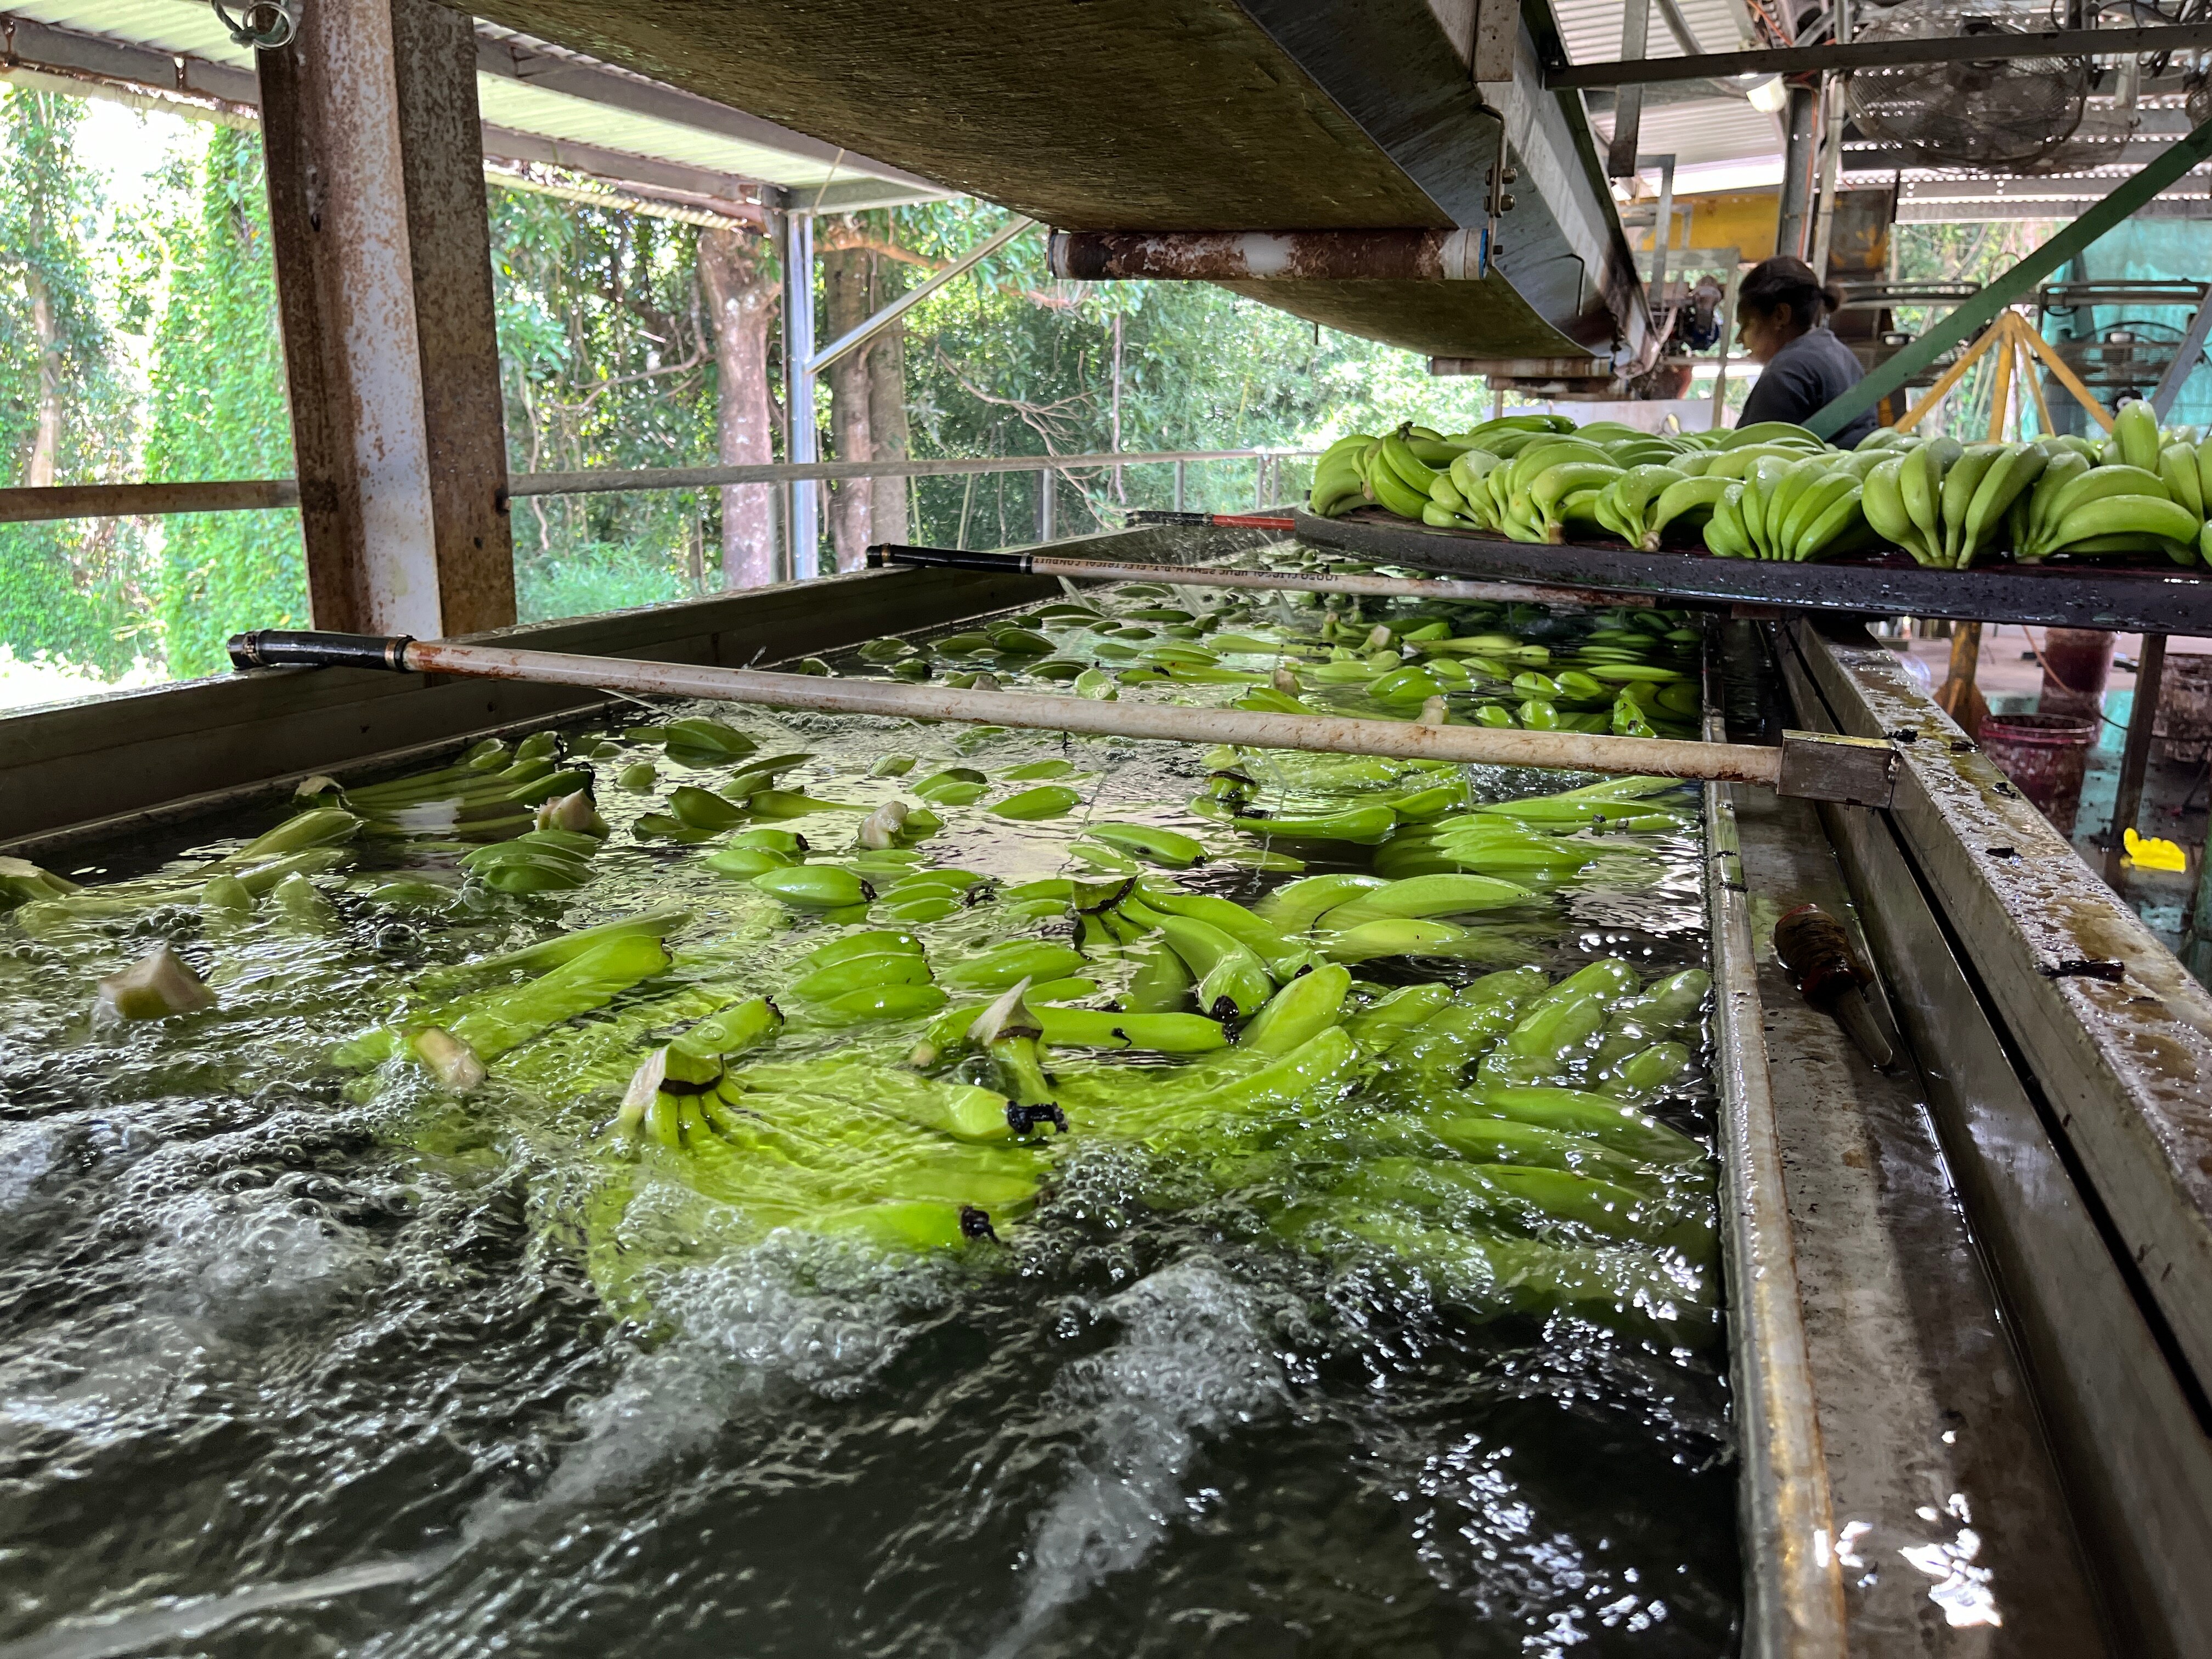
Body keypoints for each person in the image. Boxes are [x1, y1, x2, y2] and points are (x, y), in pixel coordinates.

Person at [1733, 255, 1877, 448]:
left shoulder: (1786, 373)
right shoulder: (1841, 354)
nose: (1739, 339)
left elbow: (1748, 459)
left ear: (1780, 316)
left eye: (1747, 324)